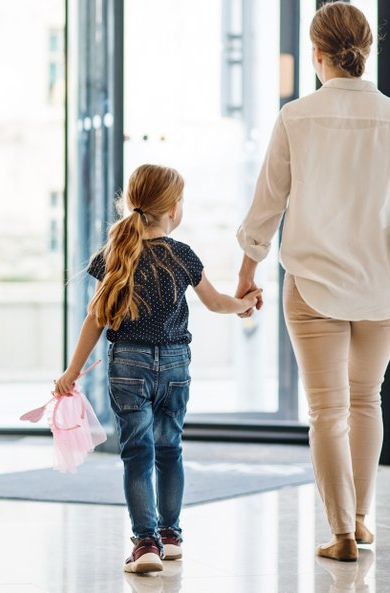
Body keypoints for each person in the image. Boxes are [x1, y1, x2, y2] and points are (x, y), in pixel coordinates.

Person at [235, 1, 390, 562]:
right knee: (365, 400)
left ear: (317, 54)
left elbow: (266, 207)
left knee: (326, 411)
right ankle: (364, 520)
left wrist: (246, 275)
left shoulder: (295, 117)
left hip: (312, 284)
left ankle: (341, 533)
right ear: (366, 52)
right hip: (384, 286)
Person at [54, 164, 262, 574]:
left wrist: (71, 372)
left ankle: (145, 543)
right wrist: (246, 304)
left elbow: (95, 319)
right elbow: (217, 302)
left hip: (128, 364)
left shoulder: (115, 254)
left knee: (137, 453)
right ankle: (171, 534)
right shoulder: (181, 254)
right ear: (172, 209)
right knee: (170, 449)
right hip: (174, 365)